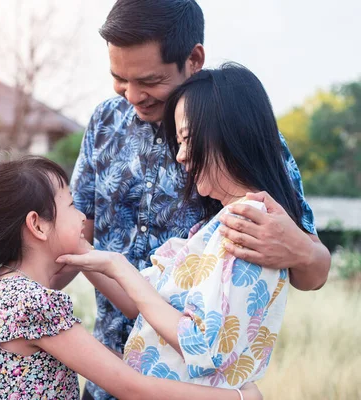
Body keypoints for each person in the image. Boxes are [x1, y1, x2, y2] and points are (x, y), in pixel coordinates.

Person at [57, 2, 331, 398]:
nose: (133, 95)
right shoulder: (105, 122)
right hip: (107, 371)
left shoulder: (244, 139)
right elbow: (75, 229)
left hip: (193, 386)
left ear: (194, 58)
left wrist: (299, 251)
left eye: (149, 80)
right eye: (120, 79)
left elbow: (314, 270)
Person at [0, 156, 262, 399]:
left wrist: (85, 250)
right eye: (71, 205)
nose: (83, 216)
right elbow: (131, 388)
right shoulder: (31, 302)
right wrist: (238, 397)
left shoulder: (6, 286)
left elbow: (129, 307)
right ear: (37, 224)